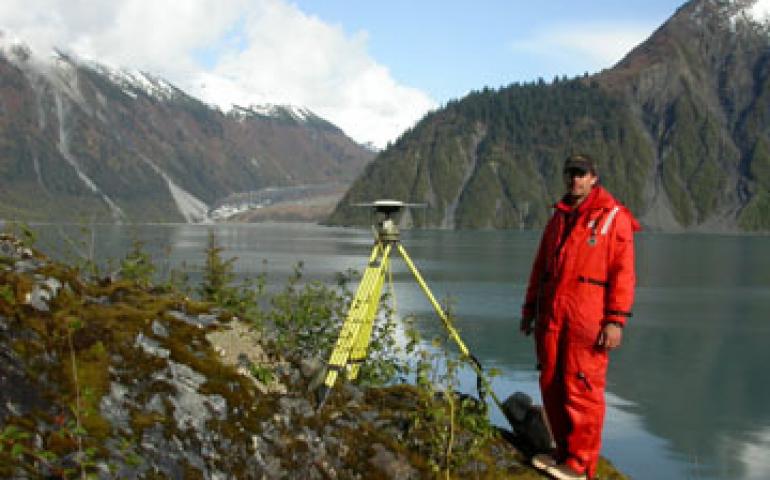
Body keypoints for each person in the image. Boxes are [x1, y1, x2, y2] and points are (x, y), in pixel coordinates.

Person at [519, 154, 640, 480]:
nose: (574, 179)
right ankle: (562, 451)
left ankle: (581, 463)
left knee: (582, 388)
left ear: (593, 177)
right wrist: (529, 310)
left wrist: (615, 319)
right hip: (552, 317)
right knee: (551, 383)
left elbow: (624, 274)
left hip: (587, 319)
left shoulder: (614, 218)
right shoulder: (558, 218)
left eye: (581, 173)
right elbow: (540, 268)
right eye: (570, 173)